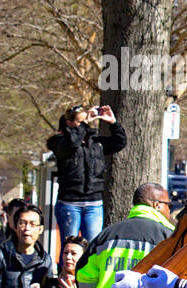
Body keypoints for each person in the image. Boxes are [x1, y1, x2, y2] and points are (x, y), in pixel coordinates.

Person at [47, 103, 128, 241]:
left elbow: (119, 142)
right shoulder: (60, 142)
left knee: (92, 247)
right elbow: (72, 143)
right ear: (69, 123)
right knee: (69, 246)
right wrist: (84, 124)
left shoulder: (96, 143)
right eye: (81, 121)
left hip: (93, 203)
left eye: (87, 121)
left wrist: (113, 123)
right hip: (69, 203)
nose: (86, 124)